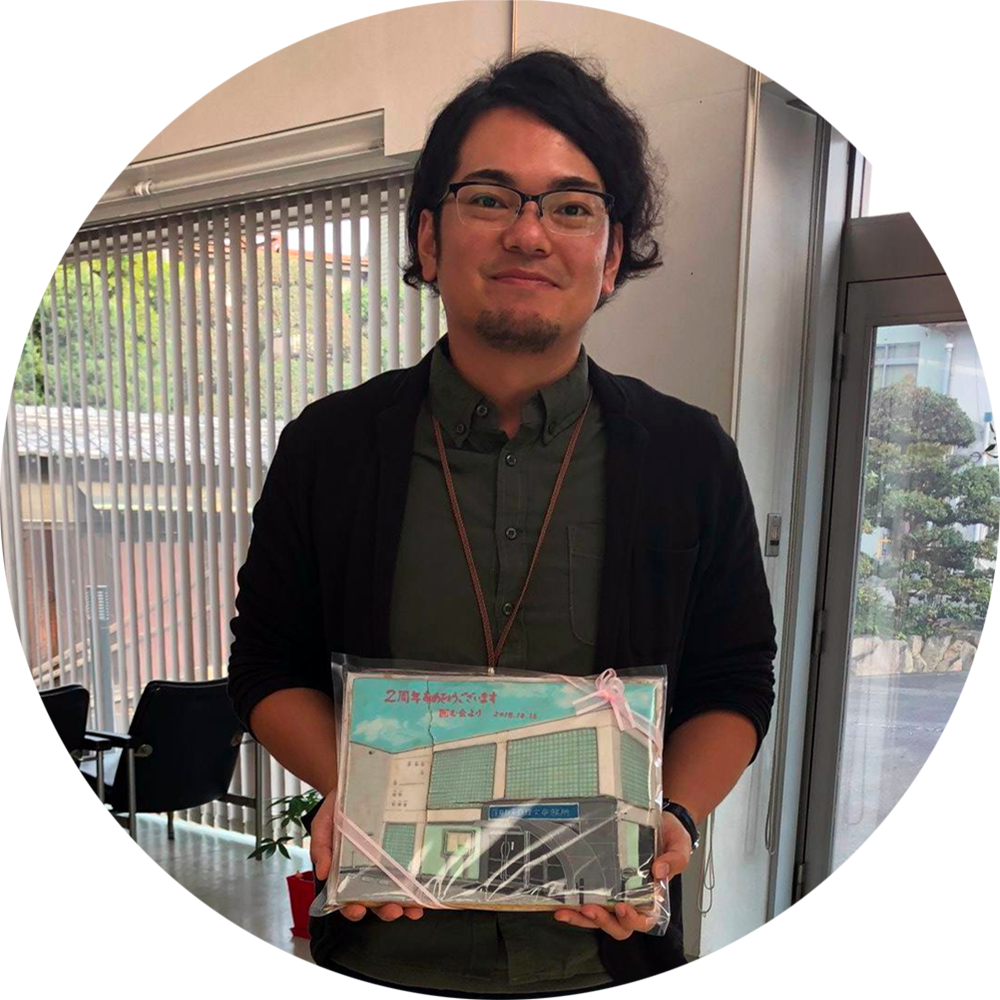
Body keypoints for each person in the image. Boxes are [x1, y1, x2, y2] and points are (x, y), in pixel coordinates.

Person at [228, 48, 776, 995]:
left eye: (572, 206)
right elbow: (268, 663)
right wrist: (357, 798)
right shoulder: (330, 446)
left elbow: (734, 680)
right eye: (489, 198)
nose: (529, 233)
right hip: (382, 949)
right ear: (429, 240)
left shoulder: (689, 456)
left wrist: (676, 814)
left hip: (607, 954)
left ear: (612, 256)